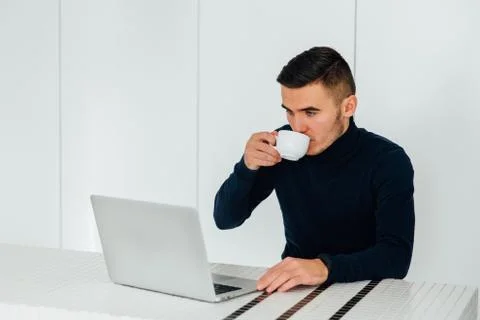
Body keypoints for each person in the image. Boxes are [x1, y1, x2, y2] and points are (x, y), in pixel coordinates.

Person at [213, 46, 415, 294]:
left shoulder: (388, 160)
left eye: (310, 112)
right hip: (295, 291)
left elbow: (396, 257)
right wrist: (246, 167)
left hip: (368, 292)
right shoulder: (283, 147)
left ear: (348, 107)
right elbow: (225, 219)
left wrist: (323, 267)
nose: (298, 126)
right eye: (289, 111)